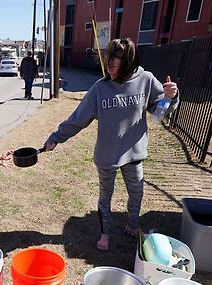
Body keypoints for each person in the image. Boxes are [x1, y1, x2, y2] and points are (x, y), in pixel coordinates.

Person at [44, 38, 179, 251]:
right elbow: (78, 118)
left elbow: (159, 111)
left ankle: (132, 226)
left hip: (134, 154)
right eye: (108, 64)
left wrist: (171, 97)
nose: (110, 70)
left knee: (136, 193)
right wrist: (56, 137)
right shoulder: (101, 88)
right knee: (105, 196)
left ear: (128, 64)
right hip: (107, 155)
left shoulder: (146, 80)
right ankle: (105, 234)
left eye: (115, 66)